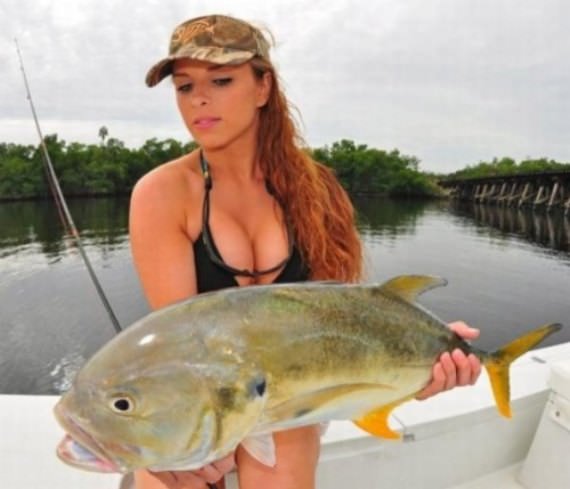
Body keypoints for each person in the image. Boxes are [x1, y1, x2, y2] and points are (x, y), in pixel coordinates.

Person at [129, 13, 482, 489]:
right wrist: (195, 451)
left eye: (222, 79)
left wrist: (420, 358)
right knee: (169, 478)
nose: (200, 100)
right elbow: (184, 347)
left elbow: (348, 325)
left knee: (285, 462)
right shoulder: (162, 193)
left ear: (262, 88)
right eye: (185, 86)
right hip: (209, 384)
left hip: (298, 388)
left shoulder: (319, 192)